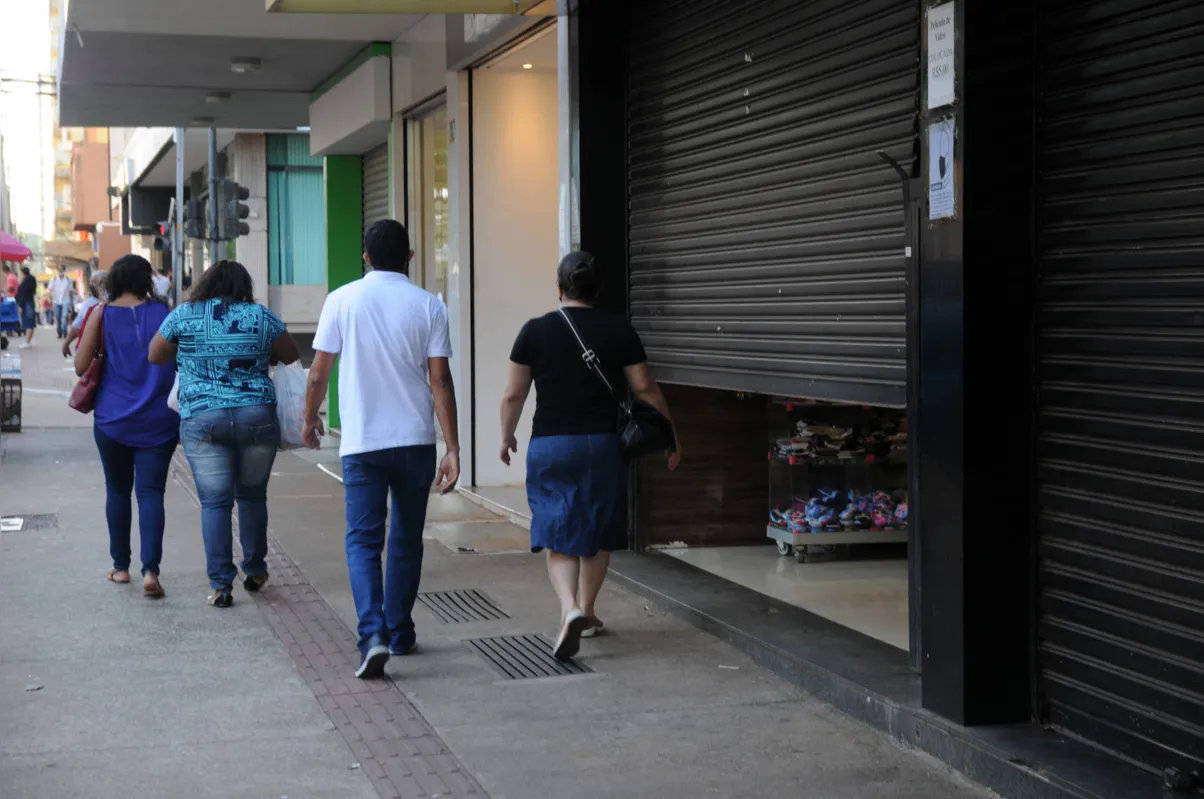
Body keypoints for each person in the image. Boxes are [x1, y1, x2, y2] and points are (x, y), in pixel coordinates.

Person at [499, 251, 681, 660]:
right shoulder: (619, 329)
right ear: (597, 290)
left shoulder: (535, 331)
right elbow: (646, 389)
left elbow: (514, 393)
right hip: (603, 444)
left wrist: (506, 436)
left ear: (559, 287)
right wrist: (670, 434)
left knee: (558, 527)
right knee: (597, 530)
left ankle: (570, 609)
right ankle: (590, 610)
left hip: (552, 445)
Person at [302, 219, 460, 679]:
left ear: (365, 256)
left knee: (364, 542)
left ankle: (373, 636)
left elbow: (317, 372)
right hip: (415, 441)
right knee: (407, 540)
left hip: (364, 444)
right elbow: (440, 380)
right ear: (410, 257)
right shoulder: (429, 306)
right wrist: (452, 446)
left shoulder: (342, 300)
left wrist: (310, 418)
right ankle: (400, 631)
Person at [149, 260, 299, 608]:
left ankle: (220, 585)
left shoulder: (184, 315)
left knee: (215, 502)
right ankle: (256, 569)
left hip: (204, 418)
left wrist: (189, 352)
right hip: (256, 416)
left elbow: (155, 355)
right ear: (244, 285)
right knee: (252, 496)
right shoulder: (260, 317)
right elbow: (291, 355)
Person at [75, 254, 178, 598]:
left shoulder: (100, 314)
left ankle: (120, 567)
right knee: (151, 493)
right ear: (146, 280)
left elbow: (80, 365)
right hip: (159, 420)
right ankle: (151, 571)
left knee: (117, 490)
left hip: (112, 419)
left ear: (114, 280)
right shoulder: (164, 314)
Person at [62, 269, 107, 358]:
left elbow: (77, 327)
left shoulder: (91, 304)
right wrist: (66, 343)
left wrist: (66, 343)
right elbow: (77, 327)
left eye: (93, 284)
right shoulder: (91, 304)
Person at [15, 266, 38, 349]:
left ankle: (27, 342)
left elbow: (24, 294)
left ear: (22, 273)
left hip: (27, 303)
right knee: (30, 323)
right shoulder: (31, 279)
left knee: (29, 323)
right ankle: (27, 341)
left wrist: (20, 305)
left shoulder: (26, 281)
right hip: (29, 302)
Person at [49, 265, 74, 339]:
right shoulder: (53, 279)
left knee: (64, 316)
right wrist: (50, 298)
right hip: (56, 301)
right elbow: (50, 289)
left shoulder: (68, 279)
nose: (60, 272)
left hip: (66, 300)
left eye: (62, 270)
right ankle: (59, 331)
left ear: (64, 270)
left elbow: (70, 291)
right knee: (58, 317)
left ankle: (65, 332)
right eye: (59, 271)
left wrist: (71, 301)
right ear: (57, 271)